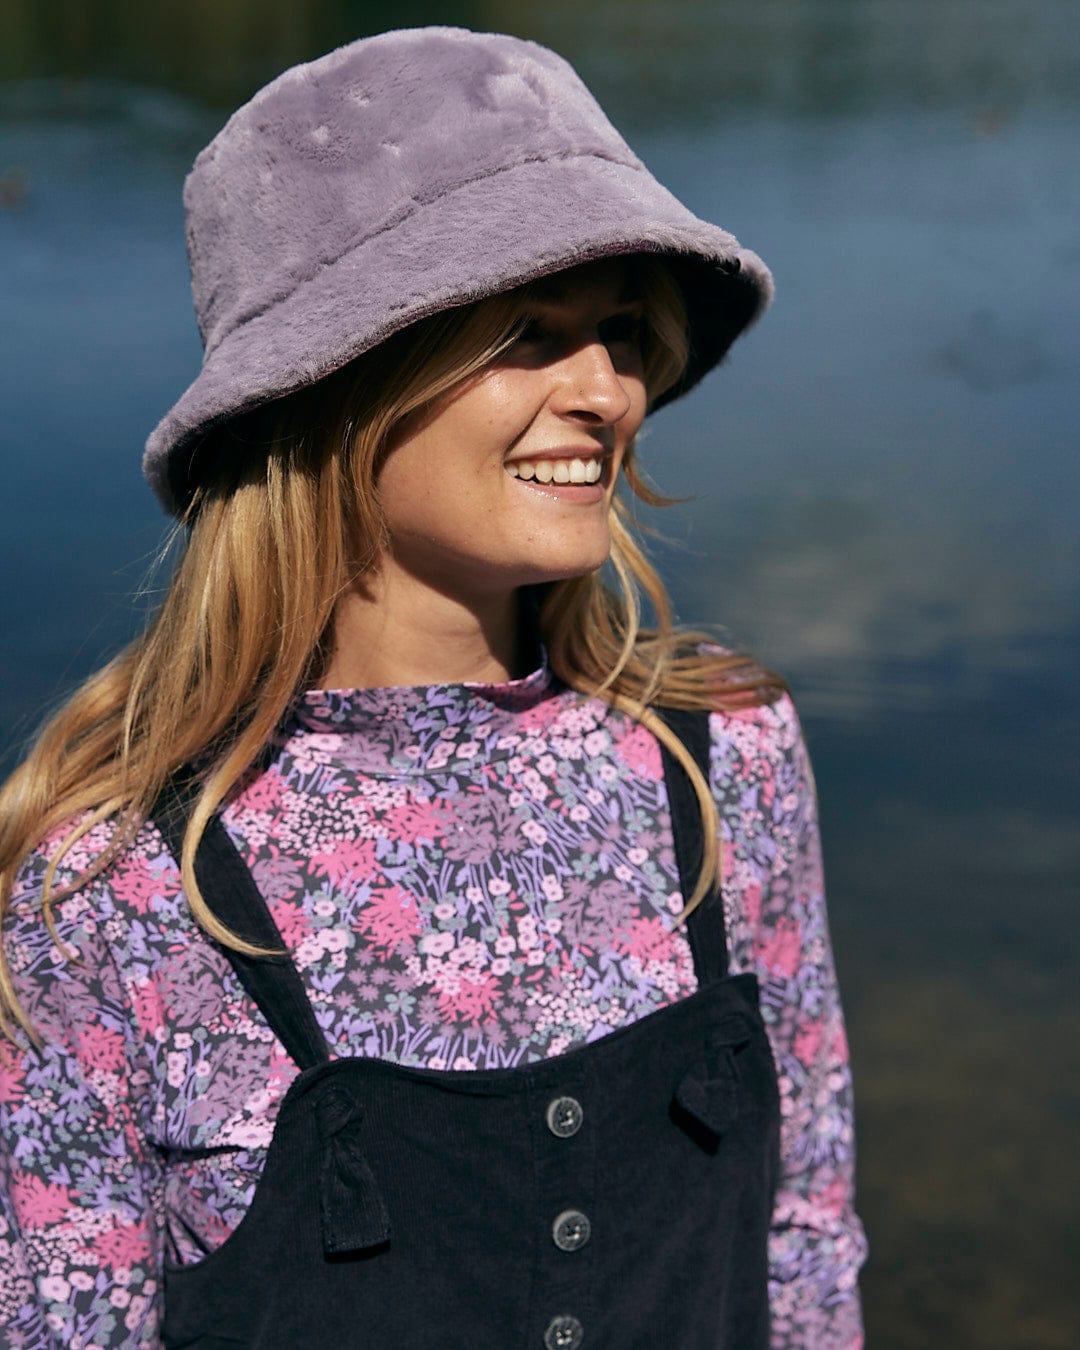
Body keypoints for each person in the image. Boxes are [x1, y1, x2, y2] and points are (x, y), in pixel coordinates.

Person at [0, 26, 866, 1350]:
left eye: (622, 331)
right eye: (529, 331)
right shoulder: (113, 886)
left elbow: (805, 1244)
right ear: (333, 384)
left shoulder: (725, 758)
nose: (606, 391)